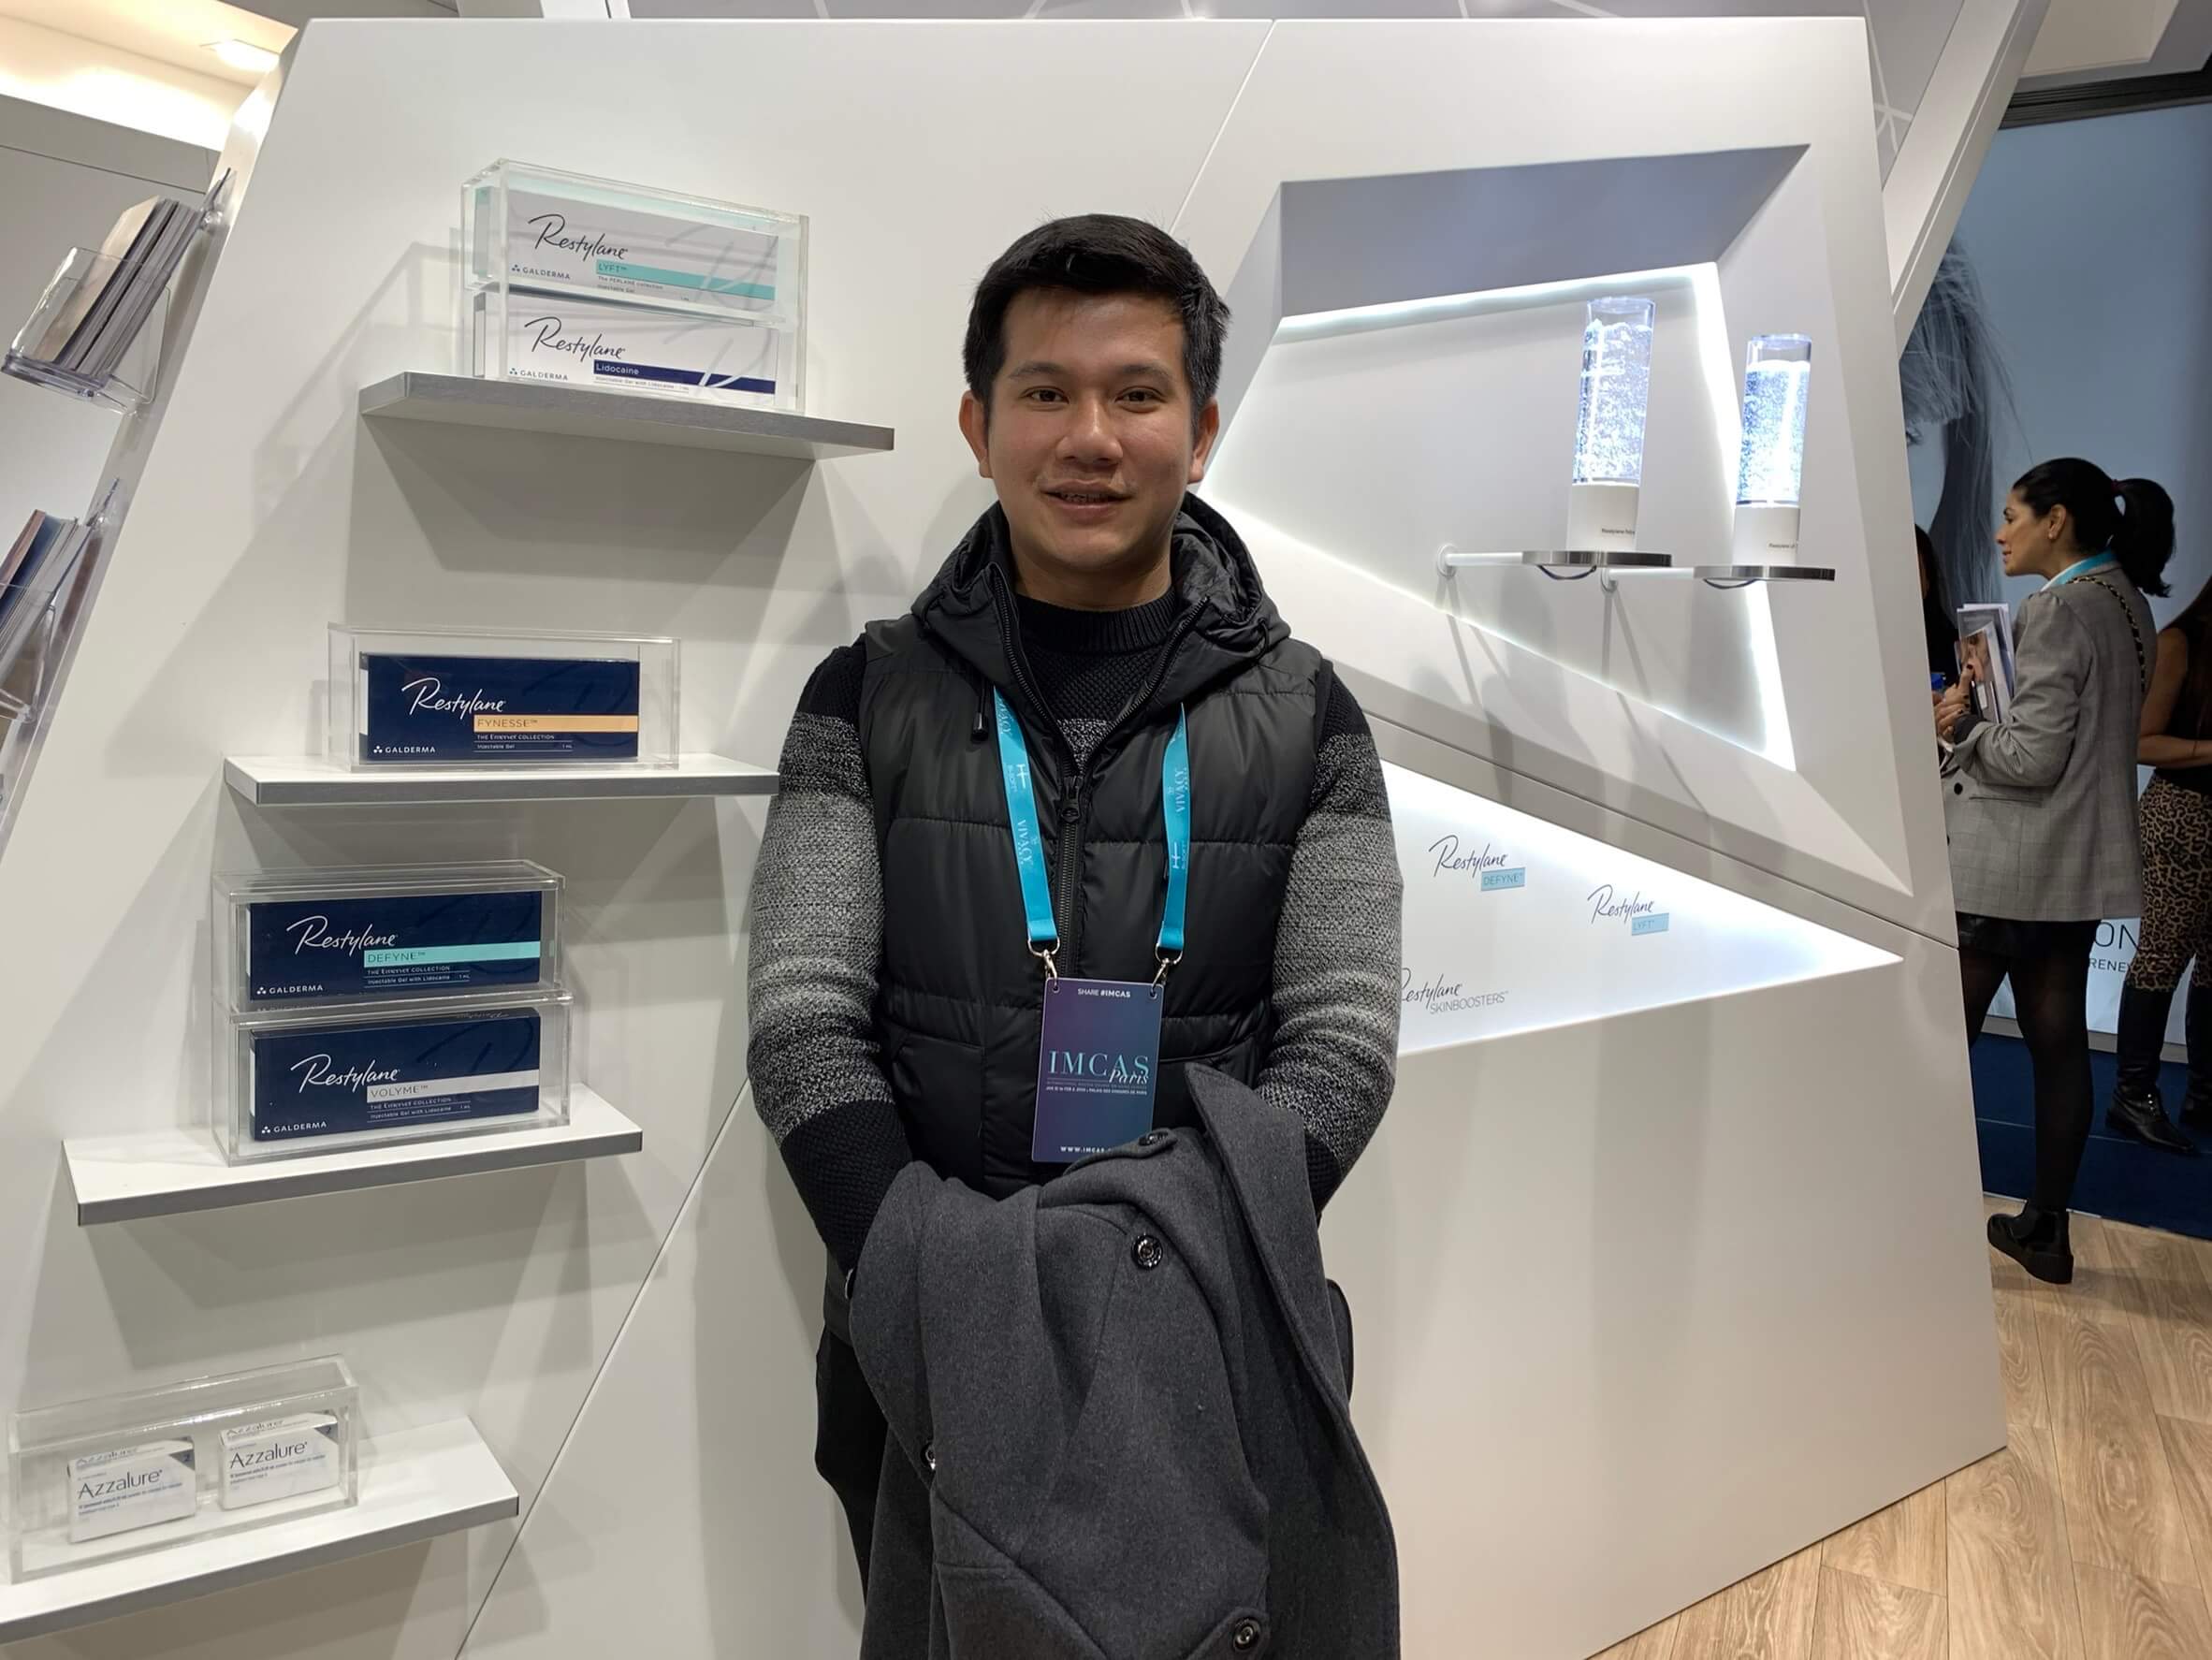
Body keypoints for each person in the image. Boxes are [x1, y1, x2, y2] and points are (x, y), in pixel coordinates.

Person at [745, 214, 1404, 1579]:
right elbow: (802, 1018)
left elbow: (1343, 1039)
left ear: (1201, 432)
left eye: (1137, 395)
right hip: (923, 1338)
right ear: (979, 427)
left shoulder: (1312, 715)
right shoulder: (861, 695)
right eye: (1045, 393)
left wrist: (1168, 1263)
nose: (1090, 438)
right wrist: (925, 1275)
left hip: (1212, 1327)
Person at [1936, 459, 2174, 1284]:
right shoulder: (2126, 601)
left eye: (2013, 515)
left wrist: (1962, 725)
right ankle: (2045, 1228)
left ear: (2056, 520)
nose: (2000, 532)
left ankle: (1900, 1214)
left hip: (2012, 861)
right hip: (2065, 866)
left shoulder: (2059, 608)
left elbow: (2030, 759)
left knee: (1937, 1039)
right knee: (2059, 1044)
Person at [2113, 573, 2212, 1149]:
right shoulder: (2182, 642)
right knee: (2161, 957)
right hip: (2184, 816)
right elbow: (2142, 741)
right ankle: (2133, 1096)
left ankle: (2204, 1092)